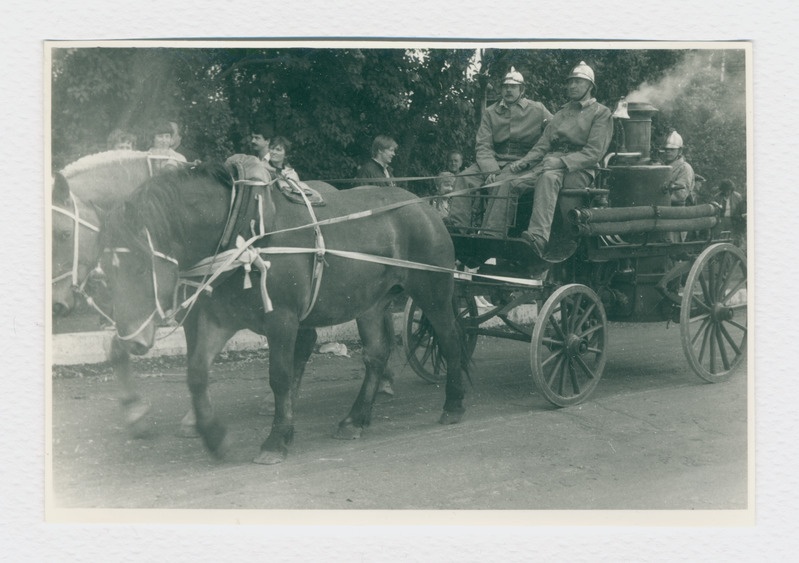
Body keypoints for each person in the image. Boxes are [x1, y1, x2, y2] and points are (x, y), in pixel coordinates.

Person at [483, 61, 613, 259]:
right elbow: (542, 145)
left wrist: (560, 163)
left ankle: (538, 237)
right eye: (570, 82)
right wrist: (523, 162)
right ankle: (491, 235)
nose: (572, 86)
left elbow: (594, 153)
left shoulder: (601, 113)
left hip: (579, 169)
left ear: (590, 86)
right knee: (508, 180)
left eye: (578, 82)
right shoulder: (562, 113)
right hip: (550, 162)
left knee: (548, 179)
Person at [448, 67, 553, 230]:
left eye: (513, 87)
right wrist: (490, 170)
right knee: (463, 178)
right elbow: (483, 145)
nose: (508, 90)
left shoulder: (538, 109)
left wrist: (534, 159)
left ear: (522, 90)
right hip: (494, 160)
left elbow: (555, 131)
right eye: (505, 86)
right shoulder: (491, 112)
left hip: (524, 164)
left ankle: (491, 232)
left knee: (501, 183)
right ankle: (457, 227)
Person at [713, 179, 745, 246]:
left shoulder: (737, 197)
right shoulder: (717, 197)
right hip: (721, 220)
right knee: (718, 237)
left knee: (733, 238)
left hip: (733, 220)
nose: (727, 192)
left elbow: (741, 209)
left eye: (729, 190)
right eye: (725, 191)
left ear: (732, 189)